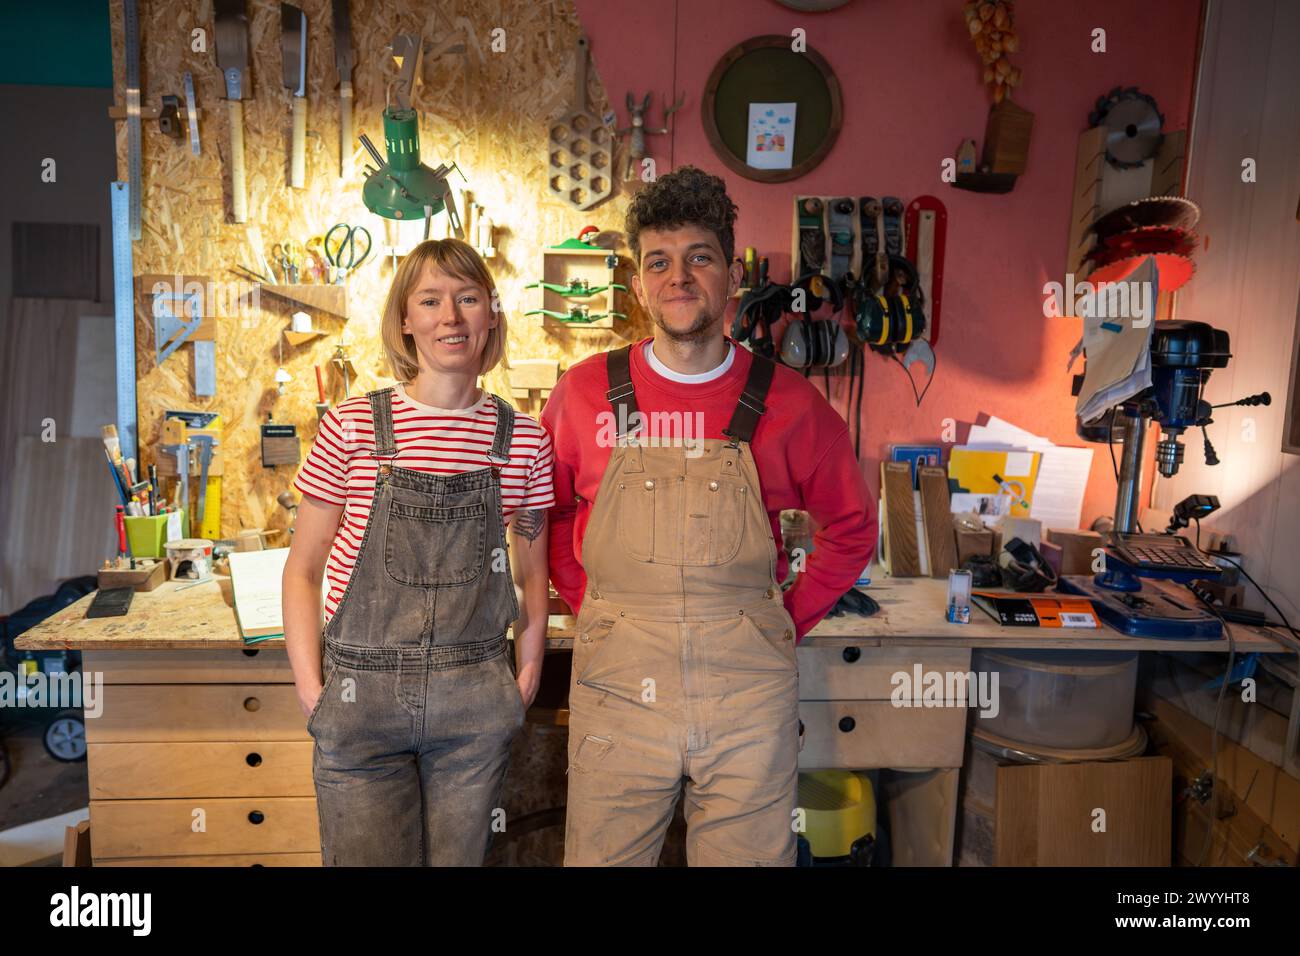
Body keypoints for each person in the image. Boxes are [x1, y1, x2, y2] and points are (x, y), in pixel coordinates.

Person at [542, 165, 877, 866]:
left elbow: (852, 528)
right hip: (618, 686)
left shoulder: (792, 403)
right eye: (658, 262)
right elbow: (542, 515)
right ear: (637, 284)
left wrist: (785, 617)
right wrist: (599, 605)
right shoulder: (581, 394)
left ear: (731, 275)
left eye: (700, 258)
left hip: (746, 695)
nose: (679, 277)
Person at [282, 238, 554, 866]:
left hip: (474, 696)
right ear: (406, 319)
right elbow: (303, 569)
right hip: (360, 697)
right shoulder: (351, 426)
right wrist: (311, 688)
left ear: (491, 312)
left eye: (467, 298)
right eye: (430, 300)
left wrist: (526, 673)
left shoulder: (525, 440)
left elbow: (531, 575)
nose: (450, 318)